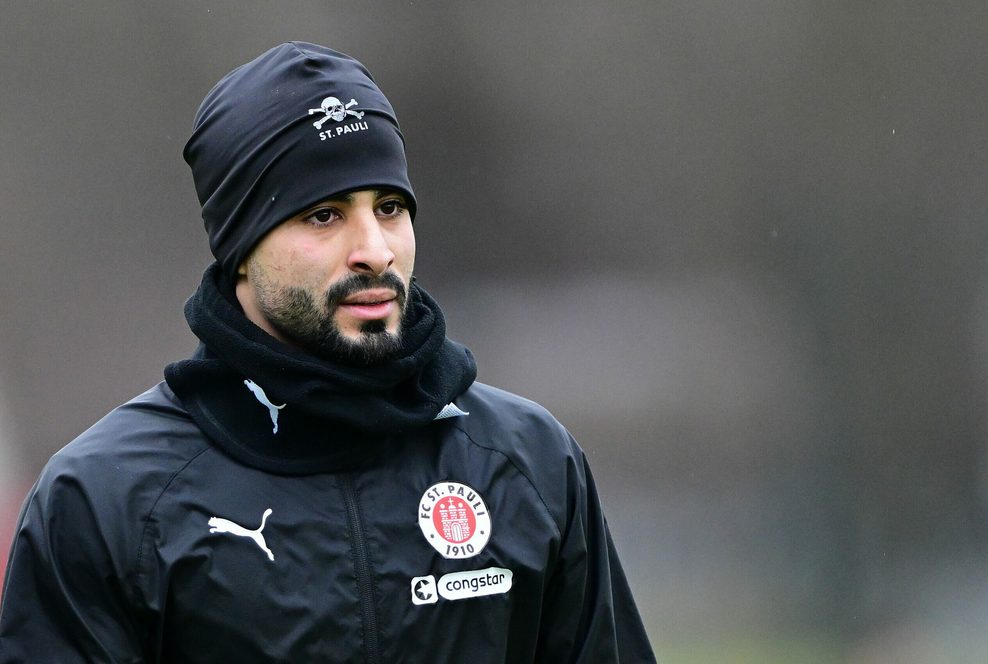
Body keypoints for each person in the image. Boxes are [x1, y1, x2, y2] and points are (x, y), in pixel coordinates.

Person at [0, 42, 655, 663]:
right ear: (240, 249)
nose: (375, 248)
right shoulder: (104, 498)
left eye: (390, 206)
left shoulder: (529, 463)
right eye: (325, 214)